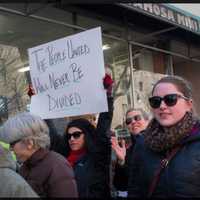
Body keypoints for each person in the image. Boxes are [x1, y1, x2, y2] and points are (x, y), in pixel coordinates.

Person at [128, 75, 200, 198]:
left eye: (170, 99)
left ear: (188, 104)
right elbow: (135, 191)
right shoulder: (142, 144)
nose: (162, 106)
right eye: (156, 101)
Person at [57, 73, 114, 198]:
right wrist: (36, 99)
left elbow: (103, 126)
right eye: (69, 136)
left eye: (76, 135)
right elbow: (51, 133)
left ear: (86, 135)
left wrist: (108, 95)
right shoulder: (63, 157)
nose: (71, 139)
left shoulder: (97, 157)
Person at [0, 112, 78, 198]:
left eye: (12, 144)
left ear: (30, 143)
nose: (10, 149)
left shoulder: (57, 166)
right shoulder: (25, 166)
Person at [111, 108, 149, 197]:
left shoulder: (159, 141)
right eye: (128, 121)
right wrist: (122, 162)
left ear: (147, 120)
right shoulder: (125, 146)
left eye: (137, 118)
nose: (133, 122)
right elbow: (120, 185)